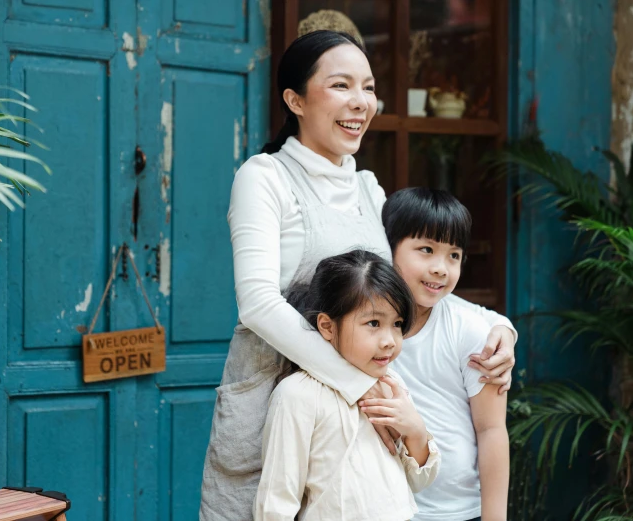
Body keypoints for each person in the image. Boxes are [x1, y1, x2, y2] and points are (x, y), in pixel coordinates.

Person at [199, 30, 516, 521]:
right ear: (295, 100)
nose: (361, 102)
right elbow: (258, 303)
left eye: (368, 87)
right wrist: (355, 382)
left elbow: (408, 283)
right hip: (274, 403)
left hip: (355, 422)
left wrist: (498, 327)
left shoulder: (368, 188)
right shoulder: (263, 177)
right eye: (341, 85)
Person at [254, 250, 440, 520]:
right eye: (373, 323)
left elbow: (418, 482)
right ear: (328, 327)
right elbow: (276, 500)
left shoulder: (392, 385)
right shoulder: (298, 395)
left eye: (397, 324)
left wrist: (416, 431)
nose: (389, 340)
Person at [361, 188, 509, 521]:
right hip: (384, 508)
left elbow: (491, 430)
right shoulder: (362, 327)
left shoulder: (470, 331)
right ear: (388, 248)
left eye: (453, 255)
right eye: (426, 250)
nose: (441, 268)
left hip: (457, 511)